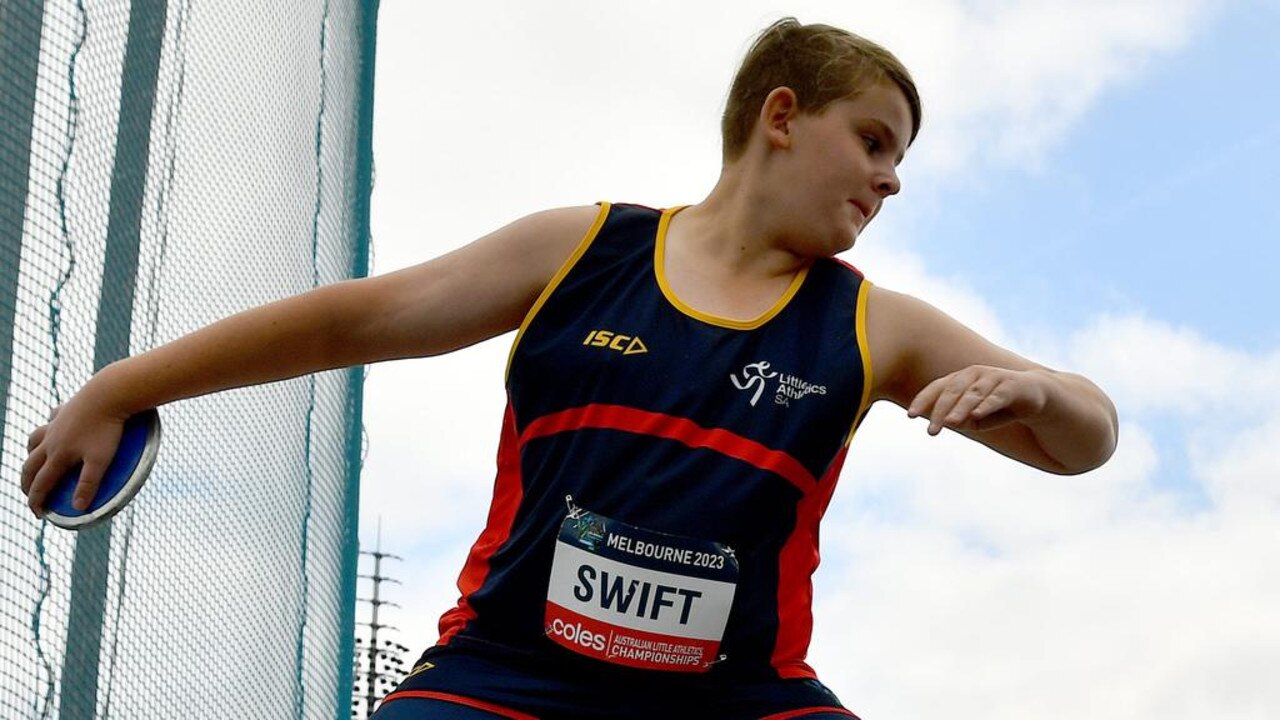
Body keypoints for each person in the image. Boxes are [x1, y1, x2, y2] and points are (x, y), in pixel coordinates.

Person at [21, 17, 1117, 720]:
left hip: (737, 699)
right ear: (781, 117)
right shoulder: (580, 251)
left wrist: (1041, 392)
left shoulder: (880, 326)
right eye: (873, 142)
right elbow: (358, 320)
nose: (889, 182)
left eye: (899, 160)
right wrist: (125, 386)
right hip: (507, 679)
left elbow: (1086, 439)